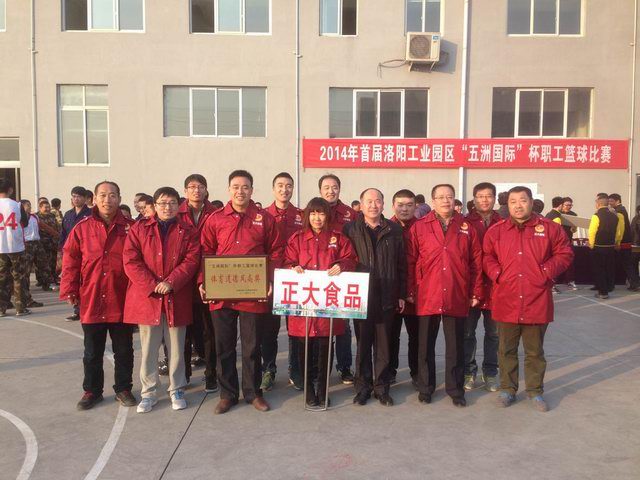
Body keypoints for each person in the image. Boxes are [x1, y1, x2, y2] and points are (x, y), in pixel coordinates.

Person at [199, 170, 284, 415]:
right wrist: (203, 281)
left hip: (252, 292)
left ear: (252, 190)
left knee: (251, 347)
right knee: (224, 346)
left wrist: (270, 279)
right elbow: (205, 252)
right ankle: (227, 394)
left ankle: (253, 392)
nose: (240, 191)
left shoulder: (264, 219)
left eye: (245, 187)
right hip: (221, 292)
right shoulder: (215, 219)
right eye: (236, 187)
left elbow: (276, 250)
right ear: (229, 190)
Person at [484, 186, 573, 412]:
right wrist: (498, 274)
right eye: (513, 201)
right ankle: (508, 389)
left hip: (537, 299)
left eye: (522, 200)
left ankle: (535, 391)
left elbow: (564, 253)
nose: (518, 205)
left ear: (531, 202)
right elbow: (487, 256)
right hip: (507, 299)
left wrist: (545, 272)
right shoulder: (497, 231)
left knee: (535, 352)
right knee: (506, 350)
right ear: (507, 205)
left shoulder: (550, 228)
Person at [59, 181, 136, 410]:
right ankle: (92, 391)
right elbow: (71, 260)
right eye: (102, 195)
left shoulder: (131, 228)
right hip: (91, 297)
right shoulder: (82, 228)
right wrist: (70, 288)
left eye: (112, 195)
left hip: (122, 298)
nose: (107, 200)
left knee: (124, 349)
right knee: (92, 351)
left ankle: (123, 388)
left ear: (119, 198)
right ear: (94, 198)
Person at [123, 186, 201, 413]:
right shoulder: (139, 229)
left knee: (177, 347)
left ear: (179, 205)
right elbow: (131, 261)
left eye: (172, 203)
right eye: (163, 203)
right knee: (149, 348)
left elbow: (192, 260)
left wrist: (171, 282)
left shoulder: (187, 230)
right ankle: (149, 392)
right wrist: (152, 284)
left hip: (176, 295)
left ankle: (176, 389)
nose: (168, 207)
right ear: (154, 206)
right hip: (149, 298)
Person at [407, 184, 483, 407]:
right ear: (433, 201)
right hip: (427, 293)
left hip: (456, 292)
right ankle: (426, 387)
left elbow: (476, 262)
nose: (445, 201)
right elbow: (410, 260)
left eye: (449, 197)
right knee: (424, 346)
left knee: (455, 346)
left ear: (455, 200)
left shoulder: (466, 227)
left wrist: (476, 291)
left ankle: (455, 390)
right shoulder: (420, 226)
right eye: (440, 197)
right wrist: (411, 290)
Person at [284, 197, 357, 407]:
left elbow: (351, 259)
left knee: (326, 346)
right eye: (313, 214)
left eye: (321, 213)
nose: (317, 218)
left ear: (328, 216)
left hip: (327, 304)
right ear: (307, 216)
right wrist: (293, 267)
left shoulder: (338, 238)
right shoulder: (297, 239)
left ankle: (323, 390)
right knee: (304, 348)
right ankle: (309, 390)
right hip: (304, 303)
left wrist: (342, 265)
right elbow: (286, 261)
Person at [344, 188, 406, 407]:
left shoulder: (394, 230)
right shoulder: (350, 229)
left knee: (383, 346)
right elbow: (344, 259)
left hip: (387, 294)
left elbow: (401, 264)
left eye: (377, 201)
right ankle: (363, 387)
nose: (373, 205)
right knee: (362, 344)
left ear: (383, 204)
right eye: (369, 201)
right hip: (360, 295)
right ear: (361, 205)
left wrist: (401, 294)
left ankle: (381, 388)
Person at [262, 172, 304, 392]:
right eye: (280, 185)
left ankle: (295, 369)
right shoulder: (262, 215)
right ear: (273, 188)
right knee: (269, 330)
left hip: (294, 281)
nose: (284, 189)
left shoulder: (302, 216)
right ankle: (268, 370)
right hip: (270, 280)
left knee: (295, 329)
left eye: (289, 186)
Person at [178, 174, 218, 393]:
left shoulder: (216, 214)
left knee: (209, 332)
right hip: (182, 281)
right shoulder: (176, 213)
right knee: (183, 332)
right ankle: (183, 375)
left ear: (206, 190)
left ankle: (211, 375)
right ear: (185, 191)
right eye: (192, 187)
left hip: (209, 280)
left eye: (201, 186)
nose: (196, 190)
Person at [463, 182, 502, 392]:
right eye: (480, 196)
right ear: (474, 199)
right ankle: (469, 372)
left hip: (496, 289)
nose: (484, 200)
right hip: (470, 289)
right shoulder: (464, 223)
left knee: (494, 334)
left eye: (488, 196)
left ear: (494, 198)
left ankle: (491, 372)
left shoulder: (503, 222)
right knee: (467, 333)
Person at [318, 174, 357, 385]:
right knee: (319, 327)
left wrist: (345, 265)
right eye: (326, 187)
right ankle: (319, 370)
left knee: (343, 327)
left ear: (339, 189)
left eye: (334, 187)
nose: (330, 191)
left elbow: (356, 248)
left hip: (342, 278)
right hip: (317, 279)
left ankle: (344, 367)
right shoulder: (313, 212)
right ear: (320, 190)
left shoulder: (351, 215)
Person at [389, 189, 419, 387]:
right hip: (392, 293)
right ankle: (390, 372)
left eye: (409, 205)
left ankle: (417, 373)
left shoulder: (423, 228)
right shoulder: (386, 227)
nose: (405, 209)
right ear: (393, 206)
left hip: (416, 293)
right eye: (400, 205)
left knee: (417, 337)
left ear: (415, 206)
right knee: (391, 336)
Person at [59, 186, 91, 321]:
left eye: (78, 196)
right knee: (72, 280)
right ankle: (77, 309)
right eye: (73, 196)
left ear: (85, 198)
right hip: (70, 253)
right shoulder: (68, 214)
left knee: (85, 281)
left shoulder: (91, 214)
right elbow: (63, 234)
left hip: (85, 252)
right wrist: (60, 252)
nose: (75, 199)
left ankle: (84, 309)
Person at [0, 180, 29, 316]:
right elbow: (25, 223)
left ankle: (1, 309)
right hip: (15, 246)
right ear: (10, 190)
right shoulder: (17, 205)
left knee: (1, 278)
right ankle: (20, 308)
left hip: (0, 247)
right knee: (18, 277)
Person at [588, 193, 624, 299]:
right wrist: (617, 242)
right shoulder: (615, 215)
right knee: (609, 268)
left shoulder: (596, 215)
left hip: (599, 246)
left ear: (598, 204)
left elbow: (592, 231)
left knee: (599, 269)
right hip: (610, 246)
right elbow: (619, 232)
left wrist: (591, 244)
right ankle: (609, 287)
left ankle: (603, 292)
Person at [608, 194, 640, 291]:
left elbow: (620, 229)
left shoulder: (619, 211)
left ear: (617, 201)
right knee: (628, 264)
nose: (609, 203)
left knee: (627, 264)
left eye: (611, 201)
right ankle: (634, 283)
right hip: (626, 241)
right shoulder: (620, 210)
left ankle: (635, 284)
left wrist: (617, 242)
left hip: (623, 241)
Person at [19, 200, 46, 309]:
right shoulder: (19, 217)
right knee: (24, 273)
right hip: (26, 244)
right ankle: (25, 300)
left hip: (36, 243)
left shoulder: (34, 217)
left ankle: (46, 283)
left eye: (30, 205)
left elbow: (43, 226)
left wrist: (56, 234)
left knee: (43, 265)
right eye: (27, 205)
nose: (29, 207)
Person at [36, 198, 61, 288]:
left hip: (53, 243)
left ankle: (53, 279)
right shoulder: (36, 217)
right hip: (43, 243)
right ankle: (44, 281)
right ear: (40, 208)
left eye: (48, 207)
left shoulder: (52, 215)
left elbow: (57, 226)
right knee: (44, 263)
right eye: (45, 207)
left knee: (53, 262)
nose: (47, 209)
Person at [545, 196, 566, 294]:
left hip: (546, 243)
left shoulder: (548, 214)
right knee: (553, 266)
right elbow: (557, 233)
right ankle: (552, 286)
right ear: (560, 205)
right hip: (553, 245)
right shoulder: (557, 218)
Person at [559, 197, 578, 290]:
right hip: (558, 242)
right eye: (567, 205)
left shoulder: (573, 215)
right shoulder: (557, 214)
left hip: (568, 241)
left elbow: (574, 230)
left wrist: (574, 228)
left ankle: (570, 281)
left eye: (570, 205)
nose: (569, 207)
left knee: (570, 262)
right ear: (562, 205)